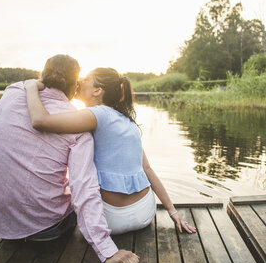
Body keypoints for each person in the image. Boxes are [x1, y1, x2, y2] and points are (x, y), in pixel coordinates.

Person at [0, 55, 139, 263]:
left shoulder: (13, 92)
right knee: (81, 193)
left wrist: (32, 86)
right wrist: (107, 249)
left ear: (42, 76)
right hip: (46, 231)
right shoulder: (79, 129)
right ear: (75, 85)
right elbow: (84, 188)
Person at [24, 67, 197, 235]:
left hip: (109, 220)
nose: (79, 82)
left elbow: (40, 121)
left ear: (97, 91)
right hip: (145, 212)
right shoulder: (129, 123)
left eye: (85, 80)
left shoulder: (95, 114)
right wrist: (172, 211)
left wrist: (31, 87)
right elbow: (147, 169)